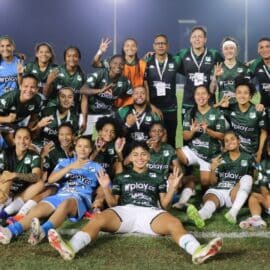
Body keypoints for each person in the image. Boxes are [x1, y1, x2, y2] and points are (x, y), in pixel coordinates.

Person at [47, 142, 222, 264]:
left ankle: (197, 251)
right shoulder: (122, 177)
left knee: (175, 223)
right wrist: (106, 187)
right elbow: (113, 203)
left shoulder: (158, 176)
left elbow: (165, 205)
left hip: (151, 212)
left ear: (149, 157)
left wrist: (172, 187)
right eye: (135, 155)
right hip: (125, 212)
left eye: (143, 154)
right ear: (130, 158)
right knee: (97, 219)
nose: (139, 158)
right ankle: (71, 247)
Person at [0, 136, 103, 245]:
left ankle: (42, 231)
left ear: (91, 149)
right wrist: (70, 167)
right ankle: (10, 231)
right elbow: (51, 179)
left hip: (80, 198)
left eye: (86, 147)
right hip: (60, 195)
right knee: (37, 210)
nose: (82, 149)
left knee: (66, 203)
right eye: (80, 146)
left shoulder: (97, 167)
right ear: (75, 148)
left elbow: (103, 187)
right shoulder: (66, 162)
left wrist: (98, 202)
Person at [7, 123, 76, 224]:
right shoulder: (53, 150)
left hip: (74, 185)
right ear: (58, 135)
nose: (64, 138)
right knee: (47, 190)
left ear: (73, 136)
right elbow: (44, 173)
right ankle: (21, 214)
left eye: (68, 134)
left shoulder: (79, 148)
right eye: (61, 134)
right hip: (55, 183)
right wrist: (42, 156)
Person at [187, 130, 254, 227]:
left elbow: (254, 179)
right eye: (226, 141)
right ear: (224, 145)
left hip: (234, 192)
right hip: (219, 190)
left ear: (239, 141)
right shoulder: (219, 158)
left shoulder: (248, 158)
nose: (230, 142)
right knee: (210, 200)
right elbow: (213, 182)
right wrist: (213, 169)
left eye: (232, 139)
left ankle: (233, 213)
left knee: (247, 178)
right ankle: (201, 215)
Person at [177, 85, 226, 191]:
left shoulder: (217, 113)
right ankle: (183, 180)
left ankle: (194, 180)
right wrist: (192, 131)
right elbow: (185, 136)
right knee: (175, 153)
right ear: (194, 97)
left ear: (208, 96)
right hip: (194, 150)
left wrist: (207, 130)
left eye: (203, 93)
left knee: (206, 183)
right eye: (197, 94)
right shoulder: (190, 113)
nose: (201, 96)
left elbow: (222, 136)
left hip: (210, 154)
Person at [216, 76, 267, 163]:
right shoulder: (230, 108)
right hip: (235, 148)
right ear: (235, 95)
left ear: (250, 96)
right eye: (239, 93)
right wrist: (219, 105)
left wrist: (260, 152)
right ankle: (223, 151)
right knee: (218, 122)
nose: (242, 96)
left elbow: (264, 133)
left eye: (245, 93)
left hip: (251, 151)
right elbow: (207, 111)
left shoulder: (258, 110)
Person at [174, 26, 223, 114]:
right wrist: (156, 55)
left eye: (200, 37)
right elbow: (167, 60)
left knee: (208, 127)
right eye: (194, 37)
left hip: (208, 100)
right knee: (188, 127)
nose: (197, 39)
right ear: (190, 39)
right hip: (188, 101)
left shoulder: (214, 54)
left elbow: (227, 63)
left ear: (205, 39)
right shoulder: (182, 54)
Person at [80, 54, 132, 135]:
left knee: (103, 138)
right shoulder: (101, 74)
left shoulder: (125, 82)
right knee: (87, 140)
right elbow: (83, 90)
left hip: (105, 115)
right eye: (115, 63)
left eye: (121, 64)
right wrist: (100, 90)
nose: (118, 66)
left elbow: (133, 96)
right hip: (90, 113)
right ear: (110, 64)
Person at [0, 127, 42, 220]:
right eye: (19, 138)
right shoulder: (6, 153)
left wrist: (15, 175)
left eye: (26, 138)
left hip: (20, 193)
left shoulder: (34, 156)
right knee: (6, 175)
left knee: (40, 184)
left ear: (30, 141)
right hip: (4, 191)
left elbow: (36, 176)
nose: (22, 141)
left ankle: (7, 212)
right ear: (14, 140)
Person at [144, 34, 178, 147]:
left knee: (171, 138)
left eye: (163, 43)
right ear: (153, 46)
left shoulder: (175, 60)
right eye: (158, 43)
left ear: (167, 46)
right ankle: (153, 162)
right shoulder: (146, 61)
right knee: (153, 138)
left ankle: (171, 163)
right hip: (153, 108)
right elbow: (142, 84)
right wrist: (150, 105)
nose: (160, 46)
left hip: (171, 108)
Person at [92, 38, 146, 107]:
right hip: (117, 103)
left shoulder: (143, 63)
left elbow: (146, 84)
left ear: (136, 48)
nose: (130, 48)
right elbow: (95, 64)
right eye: (127, 45)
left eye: (133, 45)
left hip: (137, 102)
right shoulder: (116, 61)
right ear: (123, 48)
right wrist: (100, 51)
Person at [0, 74, 43, 145]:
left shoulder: (37, 100)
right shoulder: (9, 98)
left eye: (32, 87)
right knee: (14, 141)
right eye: (26, 86)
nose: (28, 90)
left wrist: (29, 131)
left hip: (12, 125)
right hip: (3, 123)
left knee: (23, 143)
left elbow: (33, 119)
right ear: (20, 87)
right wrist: (7, 119)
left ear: (37, 89)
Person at [44, 46, 85, 116]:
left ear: (79, 58)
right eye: (69, 56)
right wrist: (48, 83)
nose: (72, 58)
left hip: (72, 111)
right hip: (54, 109)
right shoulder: (55, 71)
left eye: (75, 56)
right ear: (65, 58)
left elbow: (84, 99)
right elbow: (46, 94)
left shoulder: (83, 76)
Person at [239, 138, 270, 230]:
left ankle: (256, 219)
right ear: (268, 151)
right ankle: (256, 218)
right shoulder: (261, 165)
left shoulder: (262, 165)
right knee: (254, 196)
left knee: (256, 195)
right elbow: (263, 189)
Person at [209, 37, 249, 103]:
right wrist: (215, 77)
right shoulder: (217, 68)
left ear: (236, 51)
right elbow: (212, 91)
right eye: (226, 48)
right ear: (222, 51)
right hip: (223, 108)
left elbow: (249, 92)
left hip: (239, 110)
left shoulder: (244, 68)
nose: (229, 51)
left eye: (231, 48)